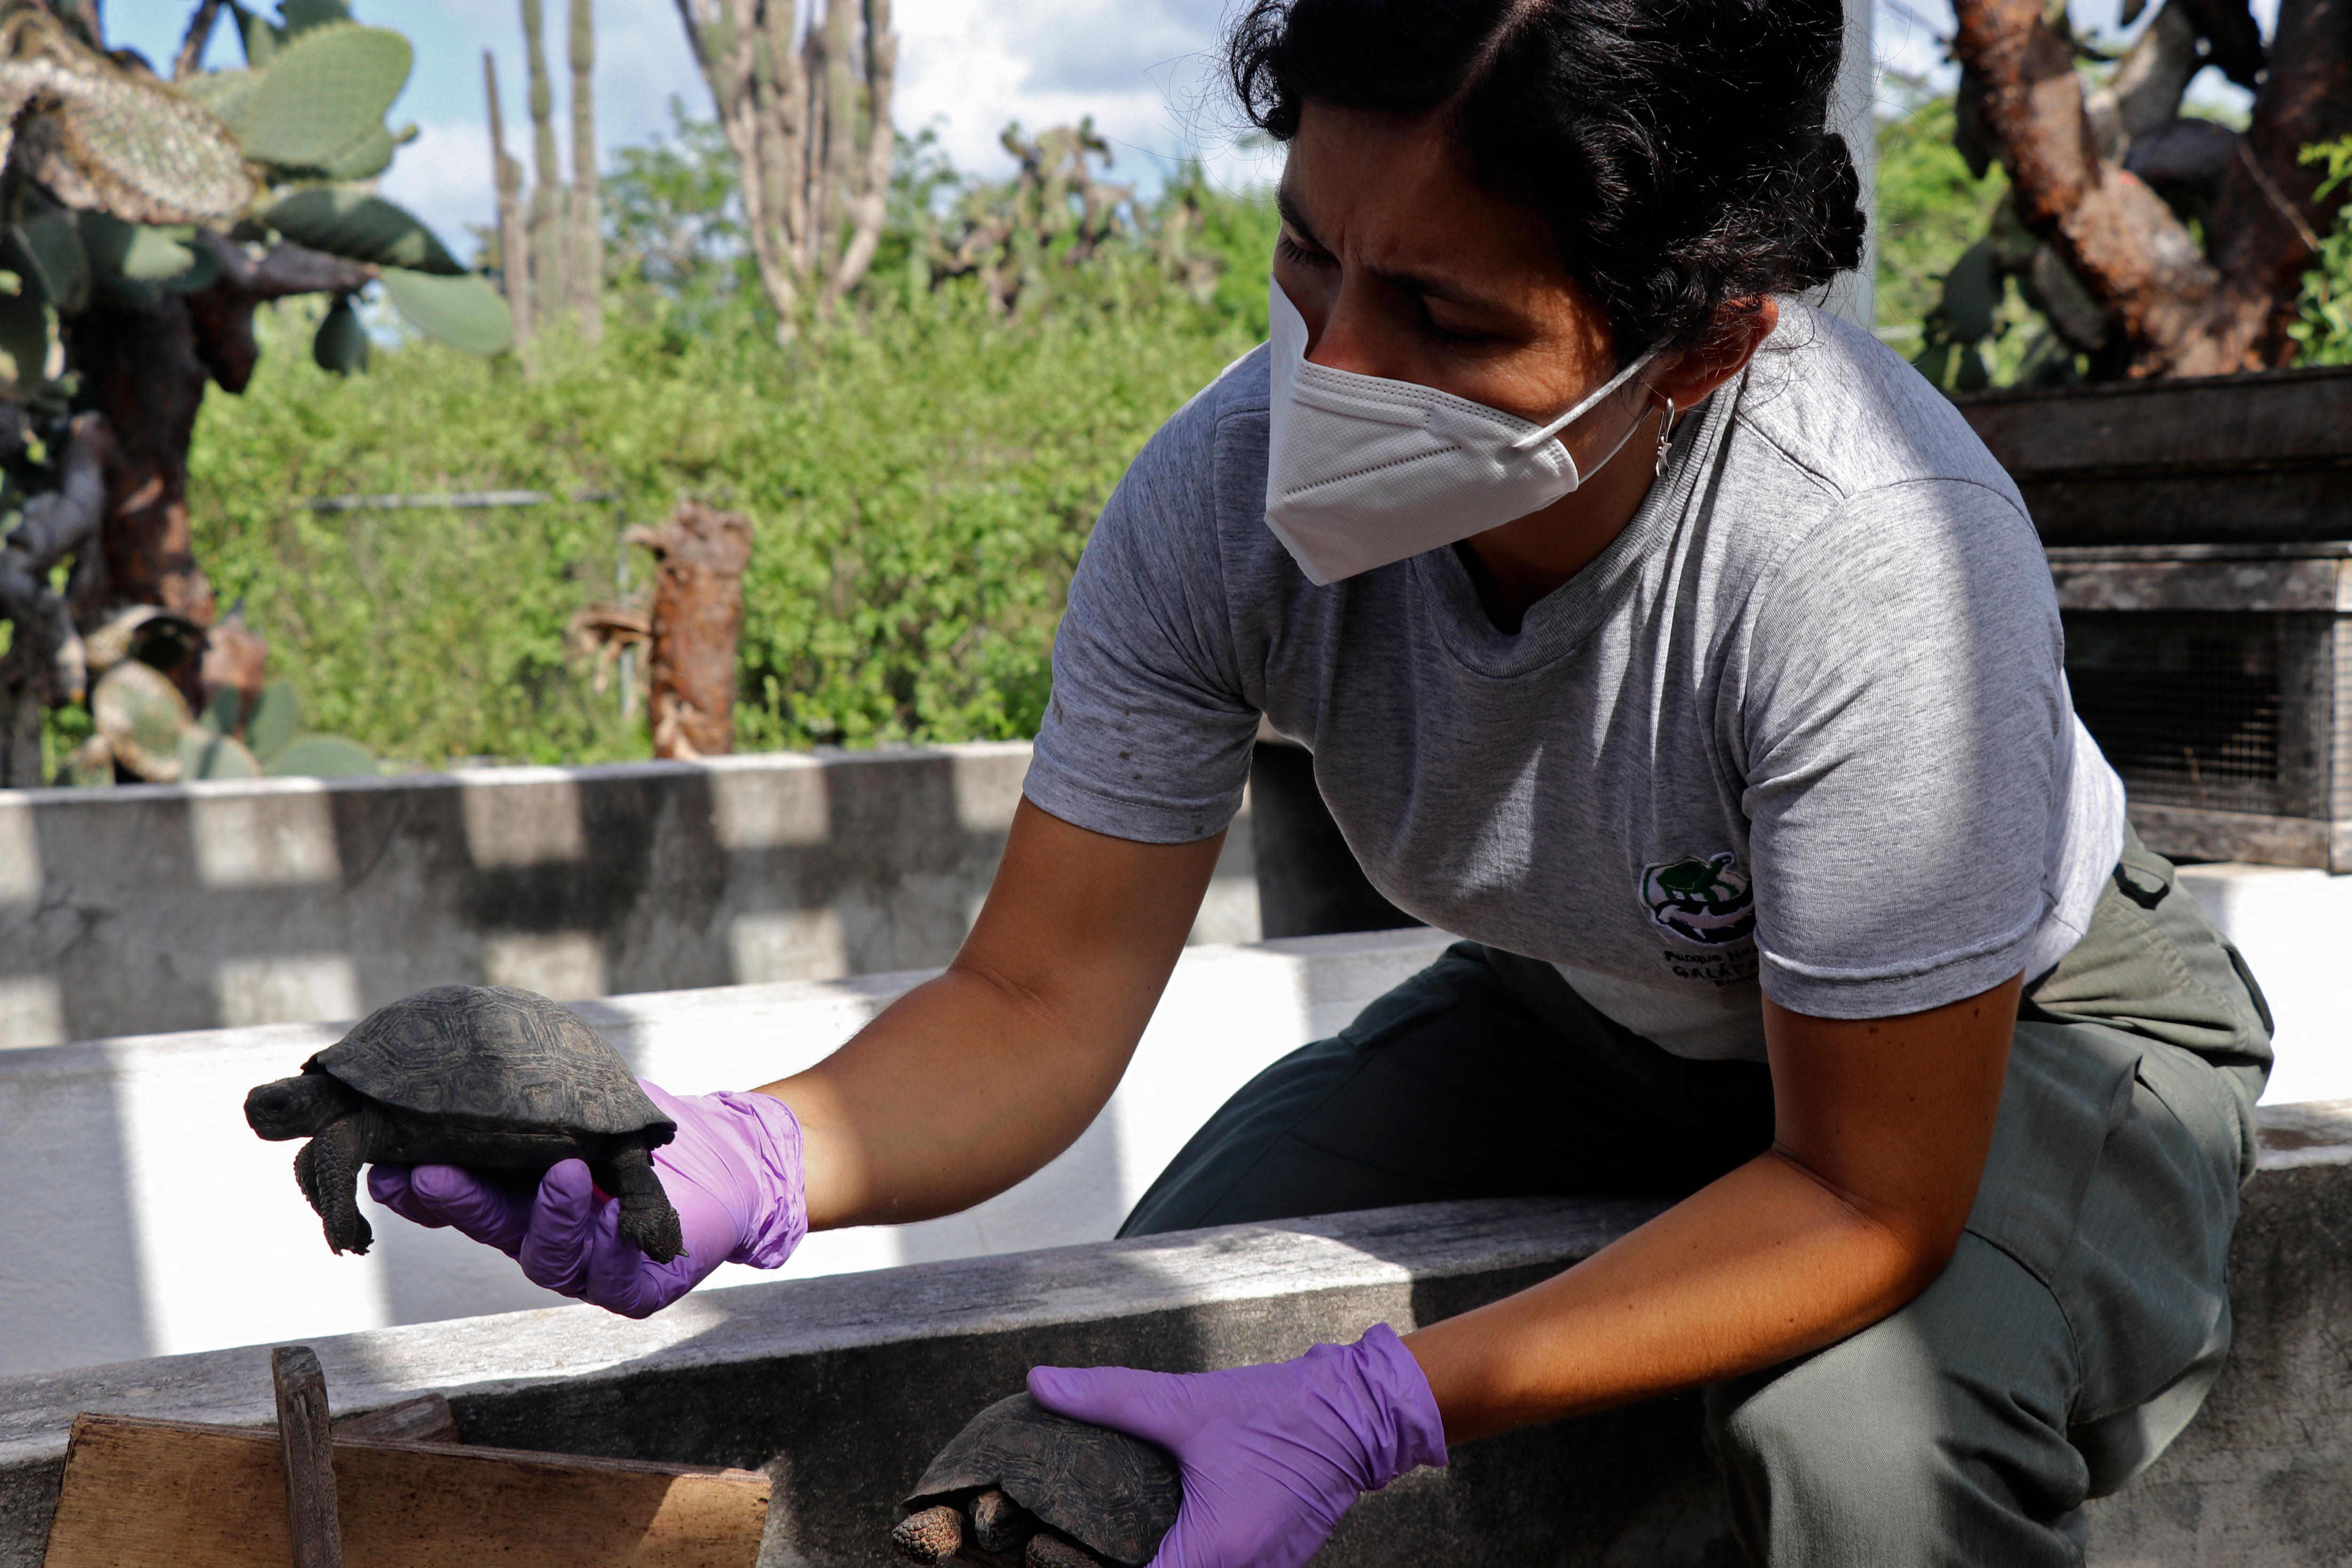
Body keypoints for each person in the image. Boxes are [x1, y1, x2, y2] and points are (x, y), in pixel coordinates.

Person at [368, 0, 2275, 1561]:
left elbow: (1863, 1200)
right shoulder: (1215, 498)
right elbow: (1033, 1003)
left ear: (1703, 337)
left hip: (2011, 1041)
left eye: (1443, 319)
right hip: (1585, 1013)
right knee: (1125, 1367)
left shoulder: (1863, 555)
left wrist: (1392, 1403)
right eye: (1306, 252)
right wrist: (742, 1153)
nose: (1330, 362)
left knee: (1862, 1448)